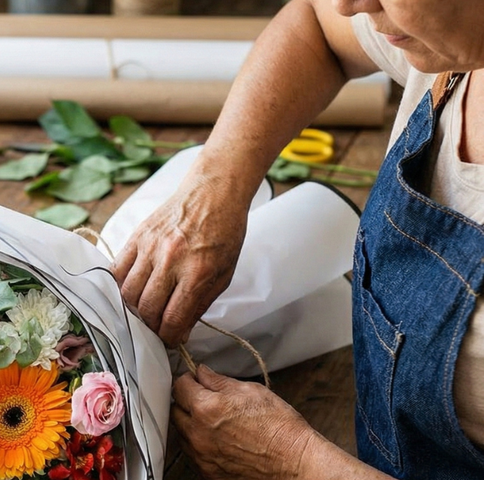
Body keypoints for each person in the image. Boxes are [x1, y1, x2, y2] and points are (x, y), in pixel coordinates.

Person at [112, 0, 484, 477]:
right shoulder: (456, 50)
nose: (351, 4)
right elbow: (316, 24)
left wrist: (296, 460)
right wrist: (216, 185)